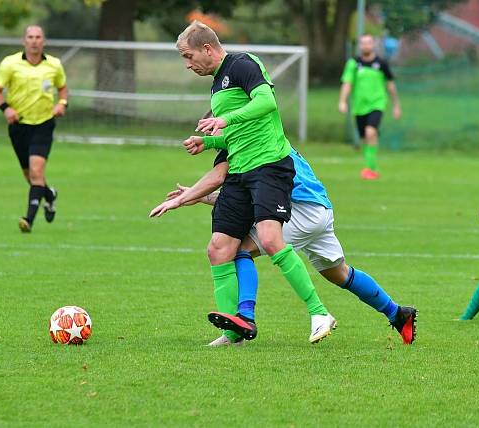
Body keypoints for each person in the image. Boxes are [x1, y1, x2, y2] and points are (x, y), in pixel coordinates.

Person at [150, 147, 418, 346]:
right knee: (340, 274)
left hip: (299, 210)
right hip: (320, 209)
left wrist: (194, 195)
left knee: (240, 249)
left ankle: (245, 317)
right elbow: (250, 195)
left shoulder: (248, 145)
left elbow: (247, 190)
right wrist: (201, 196)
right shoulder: (272, 139)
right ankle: (397, 313)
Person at [171, 21, 335, 345]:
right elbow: (237, 135)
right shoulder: (217, 86)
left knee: (272, 239)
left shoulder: (243, 64)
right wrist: (210, 143)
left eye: (189, 56)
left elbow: (266, 103)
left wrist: (225, 120)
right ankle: (232, 332)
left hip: (270, 165)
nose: (187, 65)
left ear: (207, 48)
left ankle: (319, 313)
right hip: (241, 172)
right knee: (218, 248)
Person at [0, 25, 67, 233]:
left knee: (36, 172)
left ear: (44, 41)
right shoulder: (10, 63)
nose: (34, 40)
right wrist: (6, 109)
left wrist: (62, 103)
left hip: (43, 124)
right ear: (24, 40)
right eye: (30, 37)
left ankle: (28, 220)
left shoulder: (54, 65)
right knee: (31, 176)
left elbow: (63, 88)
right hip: (18, 127)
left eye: (38, 37)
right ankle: (49, 195)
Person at [338, 34, 401, 180]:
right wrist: (342, 101)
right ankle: (373, 167)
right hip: (359, 107)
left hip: (377, 104)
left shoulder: (382, 64)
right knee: (366, 138)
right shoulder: (353, 64)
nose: (366, 45)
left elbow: (390, 85)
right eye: (363, 43)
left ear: (373, 45)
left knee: (370, 132)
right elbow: (347, 83)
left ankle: (368, 169)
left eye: (369, 43)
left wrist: (396, 105)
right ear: (360, 46)